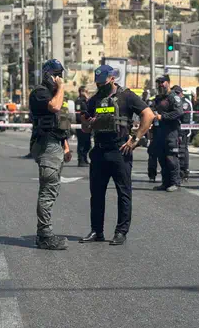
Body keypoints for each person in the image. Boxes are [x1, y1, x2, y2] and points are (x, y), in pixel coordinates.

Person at [80, 65, 155, 246]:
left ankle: (121, 232)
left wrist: (135, 139)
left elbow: (148, 115)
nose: (100, 86)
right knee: (96, 194)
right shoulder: (94, 100)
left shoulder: (126, 96)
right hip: (99, 151)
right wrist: (88, 122)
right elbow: (84, 127)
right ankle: (97, 231)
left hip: (119, 151)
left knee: (123, 193)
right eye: (97, 83)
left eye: (103, 82)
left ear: (112, 79)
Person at [29, 59, 73, 250]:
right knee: (48, 190)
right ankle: (45, 235)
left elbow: (58, 121)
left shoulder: (56, 94)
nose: (60, 79)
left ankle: (43, 233)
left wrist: (66, 146)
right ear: (48, 75)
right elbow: (54, 107)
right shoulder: (40, 92)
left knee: (51, 189)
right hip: (46, 145)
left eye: (61, 75)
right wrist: (61, 87)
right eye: (57, 74)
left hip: (55, 143)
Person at [151, 76, 184, 192]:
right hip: (159, 132)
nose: (160, 84)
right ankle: (165, 183)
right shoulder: (158, 98)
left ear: (168, 83)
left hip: (171, 132)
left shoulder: (173, 96)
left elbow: (179, 112)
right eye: (158, 82)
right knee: (162, 158)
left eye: (162, 82)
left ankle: (175, 182)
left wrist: (163, 116)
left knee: (171, 158)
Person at [173, 85, 192, 183]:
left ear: (180, 93)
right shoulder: (178, 101)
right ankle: (180, 171)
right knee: (178, 150)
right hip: (177, 130)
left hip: (184, 131)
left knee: (183, 151)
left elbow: (185, 119)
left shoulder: (185, 102)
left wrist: (181, 133)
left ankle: (184, 171)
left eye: (176, 93)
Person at [75, 86, 91, 167]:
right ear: (81, 91)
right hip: (81, 125)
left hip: (87, 125)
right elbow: (78, 114)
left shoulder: (87, 101)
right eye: (86, 91)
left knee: (88, 144)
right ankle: (81, 160)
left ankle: (85, 158)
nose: (87, 92)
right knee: (82, 143)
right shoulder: (79, 101)